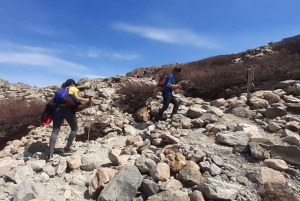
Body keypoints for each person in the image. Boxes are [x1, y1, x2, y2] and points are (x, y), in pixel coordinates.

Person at [48, 79, 93, 161]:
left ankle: (50, 154)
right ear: (72, 84)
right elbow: (77, 98)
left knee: (55, 130)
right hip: (68, 110)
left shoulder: (60, 90)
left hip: (57, 110)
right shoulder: (73, 88)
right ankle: (67, 148)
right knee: (74, 128)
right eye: (74, 84)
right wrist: (88, 100)